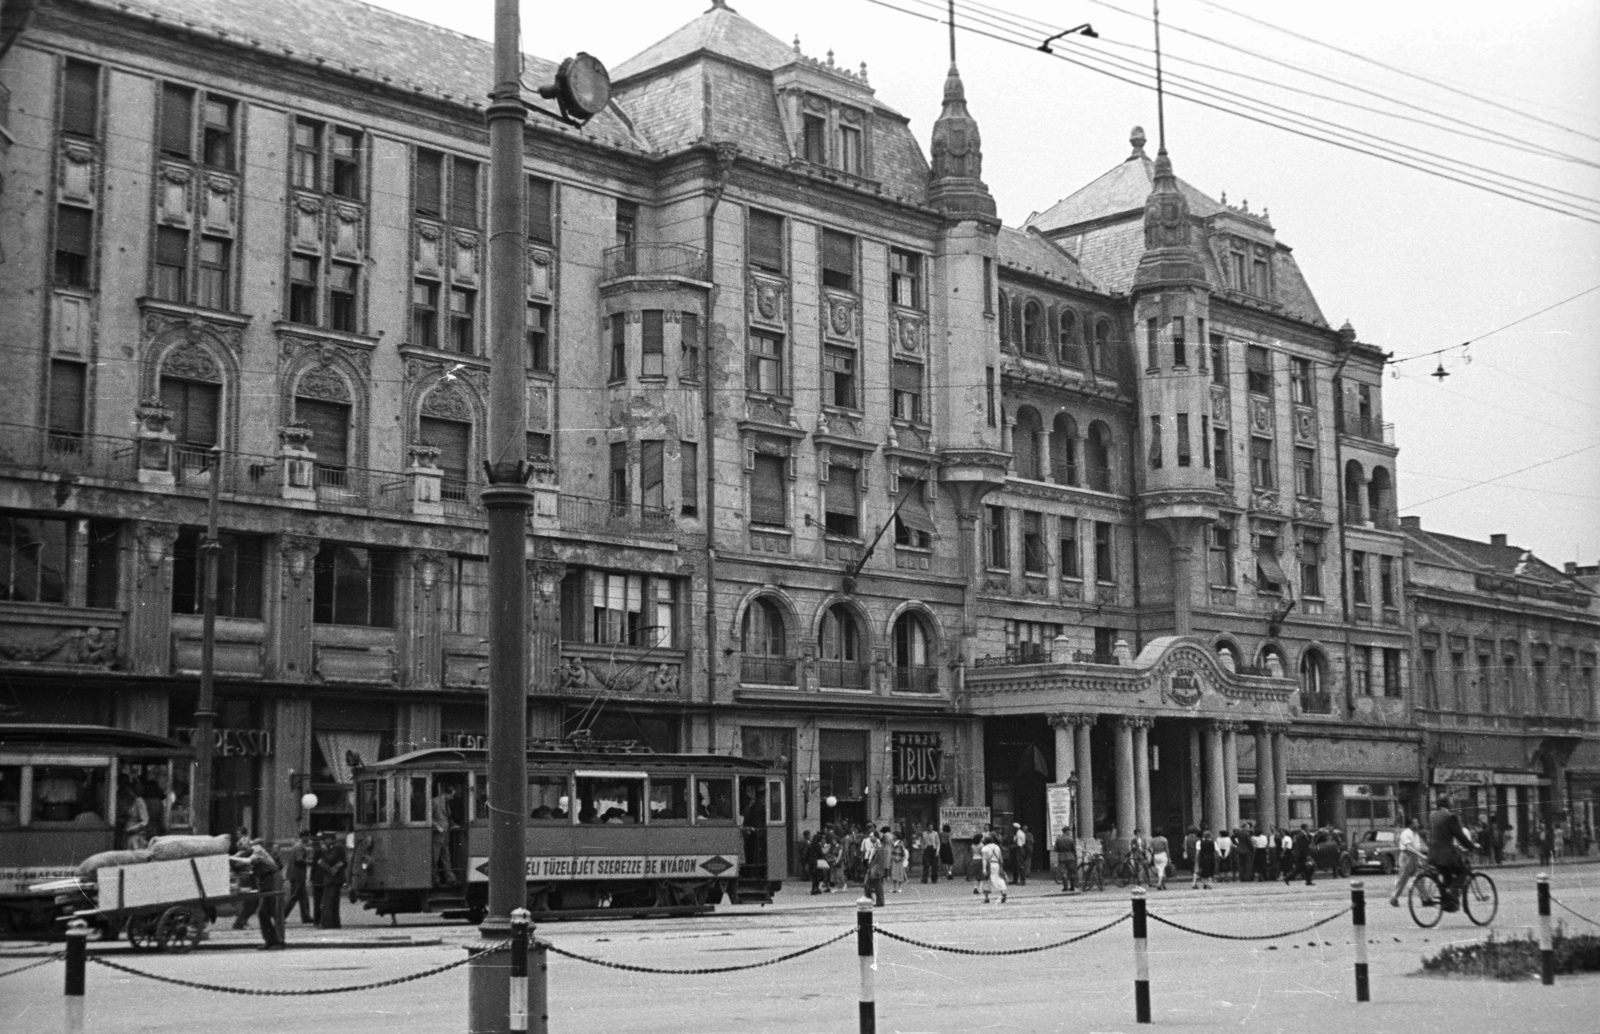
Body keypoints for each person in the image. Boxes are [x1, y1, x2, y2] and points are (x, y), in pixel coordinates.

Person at [1427, 795, 1476, 911]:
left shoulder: (1432, 816)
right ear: (1448, 805)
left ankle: (1449, 903)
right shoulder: (1451, 817)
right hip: (1446, 854)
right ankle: (1452, 891)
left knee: (1447, 875)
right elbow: (1459, 835)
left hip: (1433, 854)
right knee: (1463, 871)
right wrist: (1471, 846)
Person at [240, 839, 284, 950]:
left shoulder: (257, 850)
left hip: (273, 878)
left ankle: (280, 941)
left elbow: (248, 861)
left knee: (276, 911)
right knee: (263, 913)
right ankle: (270, 940)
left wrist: (231, 859)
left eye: (244, 848)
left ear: (249, 845)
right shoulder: (247, 853)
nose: (242, 852)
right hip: (264, 880)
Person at [1389, 817, 1426, 907]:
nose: (1417, 824)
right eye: (1415, 822)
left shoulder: (1416, 834)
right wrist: (1420, 855)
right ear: (1410, 825)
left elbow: (1420, 846)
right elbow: (1409, 847)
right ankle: (1394, 898)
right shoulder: (1406, 833)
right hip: (1407, 857)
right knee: (1403, 880)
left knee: (1420, 878)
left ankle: (1425, 899)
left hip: (1415, 857)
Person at [279, 830, 314, 923]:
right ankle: (282, 916)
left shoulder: (297, 846)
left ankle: (306, 916)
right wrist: (309, 862)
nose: (309, 839)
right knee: (294, 896)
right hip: (297, 875)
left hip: (296, 875)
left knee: (303, 897)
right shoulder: (299, 847)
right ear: (304, 837)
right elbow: (299, 860)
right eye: (308, 837)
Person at [317, 834, 347, 928]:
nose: (324, 842)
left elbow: (331, 860)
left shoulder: (336, 847)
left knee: (328, 902)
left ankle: (327, 924)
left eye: (325, 840)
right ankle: (335, 923)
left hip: (332, 879)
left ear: (330, 839)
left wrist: (324, 852)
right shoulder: (339, 847)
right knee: (334, 903)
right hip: (336, 878)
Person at [431, 784, 457, 886]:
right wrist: (437, 827)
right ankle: (435, 879)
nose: (452, 798)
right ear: (447, 794)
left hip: (446, 834)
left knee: (446, 856)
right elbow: (429, 816)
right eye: (452, 795)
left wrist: (453, 825)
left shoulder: (447, 802)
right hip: (438, 834)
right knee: (435, 857)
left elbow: (447, 817)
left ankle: (450, 878)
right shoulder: (435, 801)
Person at [118, 777, 150, 849]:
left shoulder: (139, 801)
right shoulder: (131, 801)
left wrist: (133, 829)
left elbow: (145, 820)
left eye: (130, 789)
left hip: (135, 835)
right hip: (127, 833)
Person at [863, 828, 887, 906]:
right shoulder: (874, 845)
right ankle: (871, 900)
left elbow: (881, 859)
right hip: (872, 867)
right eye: (870, 837)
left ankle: (879, 901)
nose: (870, 838)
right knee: (868, 884)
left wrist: (879, 870)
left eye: (872, 836)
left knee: (877, 886)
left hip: (876, 868)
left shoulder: (878, 845)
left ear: (876, 837)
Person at [980, 833, 1007, 904]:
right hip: (996, 864)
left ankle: (986, 898)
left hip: (989, 865)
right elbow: (1001, 858)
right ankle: (1003, 892)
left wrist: (984, 869)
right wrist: (1002, 866)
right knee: (998, 878)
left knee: (985, 881)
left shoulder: (984, 848)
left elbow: (984, 860)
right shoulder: (997, 847)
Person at [1054, 826, 1078, 891]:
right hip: (1070, 857)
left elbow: (1056, 849)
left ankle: (1065, 887)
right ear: (1067, 831)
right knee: (1071, 872)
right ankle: (1072, 887)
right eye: (1069, 831)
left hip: (1062, 857)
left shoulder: (1058, 839)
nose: (1069, 832)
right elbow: (1074, 849)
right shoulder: (1070, 839)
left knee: (1064, 872)